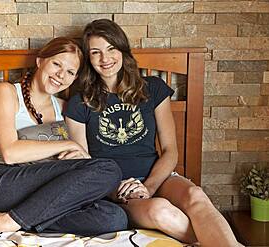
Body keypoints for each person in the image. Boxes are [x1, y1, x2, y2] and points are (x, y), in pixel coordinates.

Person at [64, 19, 242, 247]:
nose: (105, 59)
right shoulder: (80, 103)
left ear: (122, 49)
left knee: (196, 195)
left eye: (111, 49)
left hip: (158, 177)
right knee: (161, 211)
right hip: (116, 188)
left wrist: (148, 187)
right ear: (88, 58)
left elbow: (170, 150)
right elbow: (85, 165)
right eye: (95, 52)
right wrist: (116, 190)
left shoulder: (153, 88)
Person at [0, 37, 128, 240]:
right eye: (56, 64)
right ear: (39, 61)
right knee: (108, 169)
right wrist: (69, 144)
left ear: (74, 79)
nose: (61, 76)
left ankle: (19, 218)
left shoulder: (65, 108)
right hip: (2, 183)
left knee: (114, 217)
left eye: (70, 72)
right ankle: (5, 222)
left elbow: (80, 163)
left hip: (40, 192)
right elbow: (10, 153)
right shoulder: (7, 92)